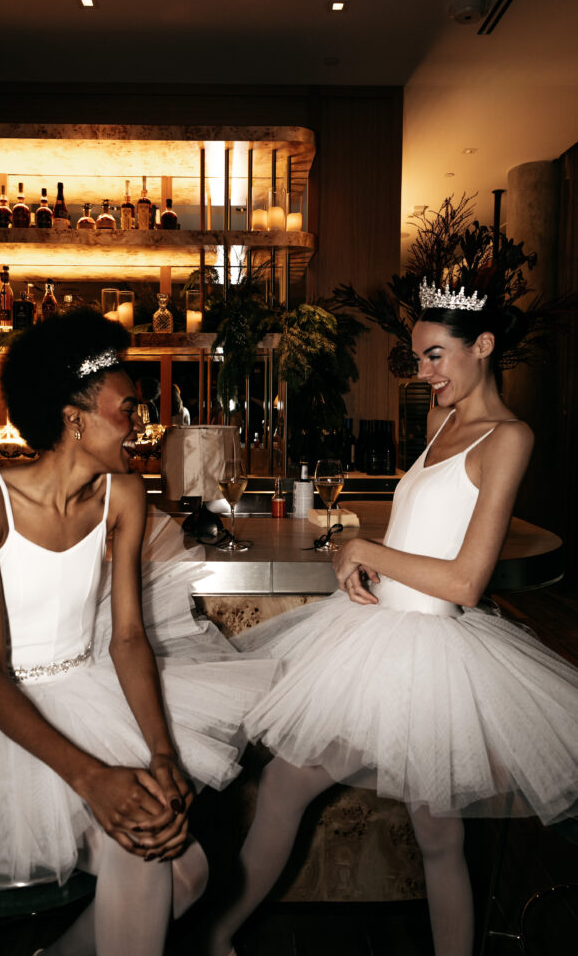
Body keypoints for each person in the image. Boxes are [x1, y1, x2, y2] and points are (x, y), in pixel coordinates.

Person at [204, 281, 578, 956]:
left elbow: (464, 582)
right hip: (376, 638)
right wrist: (365, 562)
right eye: (417, 358)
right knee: (296, 786)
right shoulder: (440, 422)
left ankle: (218, 937)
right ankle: (220, 938)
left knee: (434, 835)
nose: (422, 372)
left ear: (482, 347)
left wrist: (365, 548)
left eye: (435, 356)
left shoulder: (507, 437)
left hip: (433, 652)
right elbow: (422, 530)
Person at [0, 308, 274, 956]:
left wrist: (161, 753)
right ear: (75, 418)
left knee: (192, 874)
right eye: (127, 407)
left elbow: (127, 639)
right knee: (150, 862)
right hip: (0, 720)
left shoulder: (122, 493)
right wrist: (95, 778)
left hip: (89, 688)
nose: (140, 422)